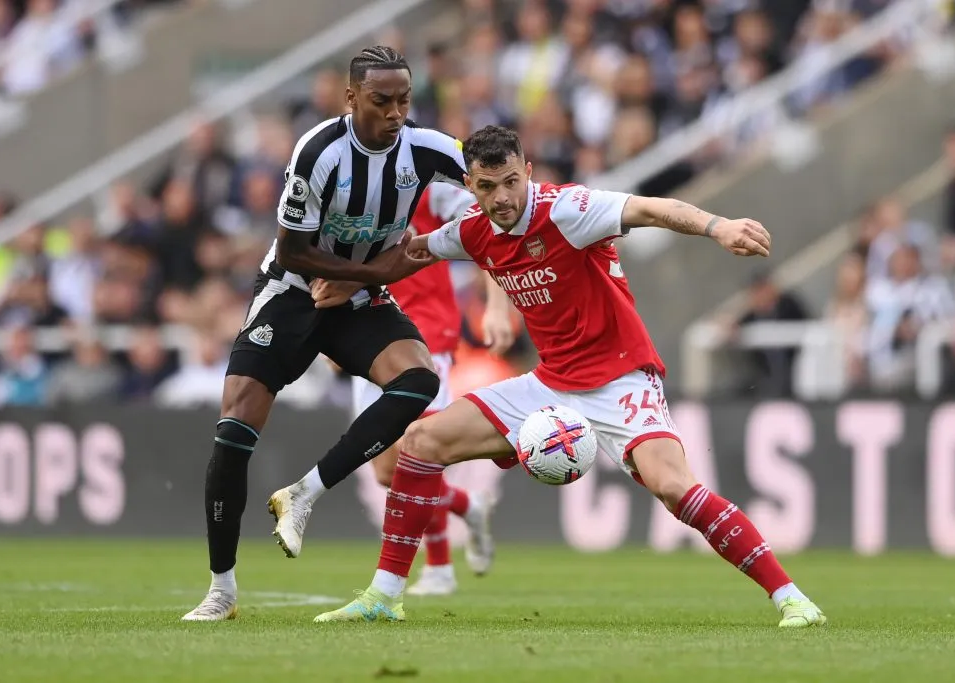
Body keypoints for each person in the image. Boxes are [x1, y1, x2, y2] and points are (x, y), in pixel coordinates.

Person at [308, 125, 827, 628]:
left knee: (673, 488)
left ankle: (791, 597)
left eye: (511, 181)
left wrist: (719, 226)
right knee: (420, 442)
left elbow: (650, 208)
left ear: (527, 172)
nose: (502, 197)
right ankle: (385, 597)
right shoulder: (474, 230)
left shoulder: (568, 210)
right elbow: (414, 253)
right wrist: (349, 281)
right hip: (551, 381)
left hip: (620, 377)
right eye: (487, 187)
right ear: (470, 186)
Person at [182, 46, 472, 621]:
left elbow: (494, 181)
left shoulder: (430, 149)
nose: (394, 113)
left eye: (404, 102)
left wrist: (366, 280)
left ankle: (305, 493)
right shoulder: (318, 150)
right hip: (292, 289)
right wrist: (362, 273)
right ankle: (221, 589)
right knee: (234, 427)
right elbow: (292, 248)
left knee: (419, 379)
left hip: (358, 297)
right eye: (381, 100)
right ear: (351, 98)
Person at [345, 183, 514, 596]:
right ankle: (465, 505)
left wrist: (495, 305)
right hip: (368, 333)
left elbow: (486, 226)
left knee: (422, 448)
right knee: (387, 471)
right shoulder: (347, 188)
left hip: (425, 331)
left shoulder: (428, 187)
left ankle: (439, 568)